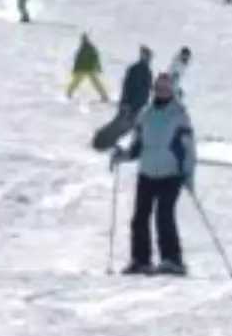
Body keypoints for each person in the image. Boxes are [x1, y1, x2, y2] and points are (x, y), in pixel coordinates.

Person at [111, 72, 196, 276]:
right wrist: (122, 155)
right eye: (159, 88)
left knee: (164, 216)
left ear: (172, 91)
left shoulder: (179, 115)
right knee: (139, 218)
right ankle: (141, 260)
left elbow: (188, 148)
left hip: (170, 173)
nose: (162, 91)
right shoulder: (146, 115)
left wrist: (188, 174)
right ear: (154, 90)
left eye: (166, 88)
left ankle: (172, 260)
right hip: (147, 172)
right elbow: (137, 146)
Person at [66, 33, 110, 101]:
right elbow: (79, 59)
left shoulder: (88, 48)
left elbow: (93, 59)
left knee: (80, 81)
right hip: (87, 68)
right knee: (78, 81)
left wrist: (97, 67)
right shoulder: (86, 48)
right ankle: (69, 93)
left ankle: (104, 95)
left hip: (87, 68)